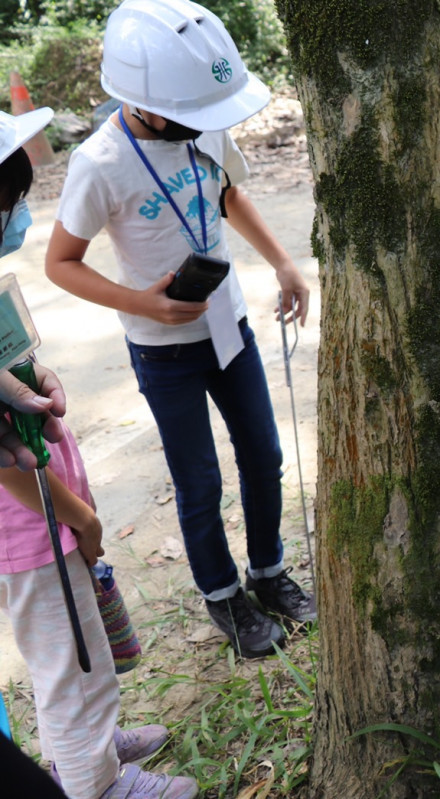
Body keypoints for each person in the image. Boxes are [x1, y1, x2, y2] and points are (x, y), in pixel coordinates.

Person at [44, 0, 315, 659]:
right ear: (144, 102)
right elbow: (60, 262)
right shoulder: (101, 162)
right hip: (164, 350)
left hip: (229, 329)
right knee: (199, 480)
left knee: (264, 454)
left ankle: (268, 572)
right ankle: (224, 594)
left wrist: (282, 261)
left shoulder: (202, 122)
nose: (204, 123)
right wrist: (142, 302)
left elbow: (228, 195)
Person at [0, 106, 197, 799]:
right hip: (31, 523)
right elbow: (4, 460)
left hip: (40, 511)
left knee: (73, 646)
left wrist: (38, 376)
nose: (15, 217)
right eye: (6, 203)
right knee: (65, 657)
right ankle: (95, 783)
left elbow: (11, 372)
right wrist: (78, 516)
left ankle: (88, 745)